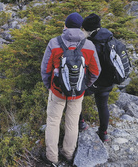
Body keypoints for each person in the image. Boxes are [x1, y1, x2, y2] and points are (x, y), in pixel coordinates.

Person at [41, 12, 101, 166]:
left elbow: (45, 69)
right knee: (72, 122)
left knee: (53, 122)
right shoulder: (88, 45)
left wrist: (50, 86)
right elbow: (96, 71)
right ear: (80, 27)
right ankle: (68, 154)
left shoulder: (54, 43)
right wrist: (84, 85)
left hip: (57, 90)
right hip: (78, 92)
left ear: (65, 26)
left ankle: (51, 157)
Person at [78, 13, 115, 142]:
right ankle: (103, 133)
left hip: (94, 82)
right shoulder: (110, 37)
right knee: (103, 106)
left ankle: (81, 123)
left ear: (88, 30)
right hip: (109, 81)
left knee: (76, 96)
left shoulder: (90, 44)